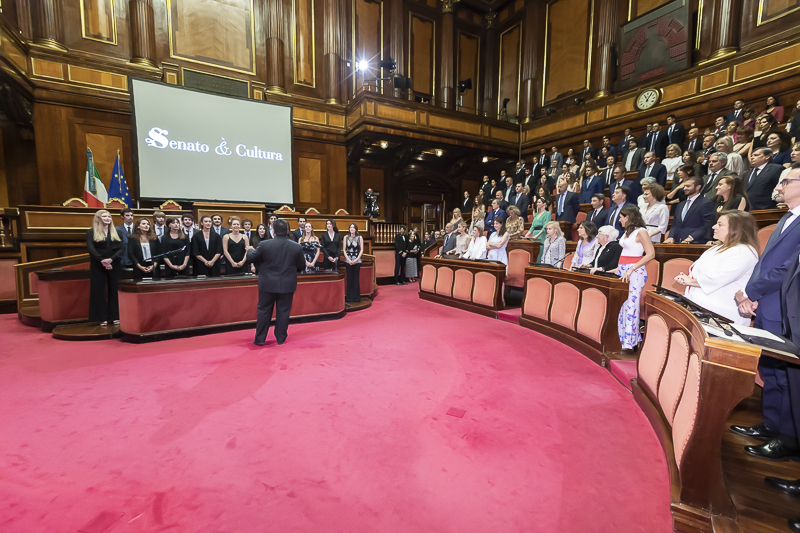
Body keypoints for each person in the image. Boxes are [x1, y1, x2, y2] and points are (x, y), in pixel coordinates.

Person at [731, 164, 800, 461]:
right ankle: (772, 424)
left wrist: (753, 292)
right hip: (768, 304)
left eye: (786, 181)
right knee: (771, 369)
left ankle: (787, 437)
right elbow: (764, 264)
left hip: (785, 306)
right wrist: (751, 293)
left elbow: (789, 269)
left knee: (787, 375)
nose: (780, 186)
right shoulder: (787, 217)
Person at [674, 211, 759, 324]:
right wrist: (687, 278)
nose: (714, 227)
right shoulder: (716, 248)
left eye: (720, 224)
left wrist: (690, 281)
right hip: (702, 308)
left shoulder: (744, 251)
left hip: (723, 313)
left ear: (736, 228)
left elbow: (719, 277)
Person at [246, 219, 305, 346]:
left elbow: (250, 258)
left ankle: (260, 338)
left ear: (273, 230)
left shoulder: (265, 244)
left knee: (263, 310)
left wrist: (250, 250)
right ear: (288, 230)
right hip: (287, 284)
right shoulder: (296, 246)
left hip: (267, 283)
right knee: (283, 311)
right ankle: (281, 338)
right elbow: (302, 265)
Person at [613, 206, 656, 351]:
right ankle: (627, 337)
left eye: (621, 217)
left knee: (632, 305)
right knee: (622, 304)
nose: (619, 219)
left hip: (635, 271)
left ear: (628, 217)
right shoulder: (627, 232)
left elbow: (650, 254)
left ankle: (629, 342)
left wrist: (632, 268)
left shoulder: (641, 232)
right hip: (623, 270)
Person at [87, 210, 123, 326]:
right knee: (98, 290)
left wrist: (111, 259)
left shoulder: (117, 232)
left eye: (109, 216)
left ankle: (116, 316)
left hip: (114, 263)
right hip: (98, 264)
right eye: (105, 216)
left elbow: (122, 249)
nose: (108, 218)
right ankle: (100, 317)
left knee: (115, 290)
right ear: (98, 218)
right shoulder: (91, 232)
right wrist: (102, 260)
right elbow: (91, 249)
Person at [664, 176, 714, 244]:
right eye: (684, 186)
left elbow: (707, 225)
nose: (684, 188)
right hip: (678, 242)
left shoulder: (706, 203)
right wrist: (671, 237)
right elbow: (675, 224)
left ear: (698, 187)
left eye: (688, 186)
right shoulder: (680, 205)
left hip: (695, 242)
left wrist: (691, 237)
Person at [343, 223, 363, 301]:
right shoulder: (346, 237)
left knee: (356, 279)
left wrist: (356, 259)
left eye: (353, 228)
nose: (351, 229)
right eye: (350, 227)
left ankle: (356, 297)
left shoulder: (359, 237)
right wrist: (348, 259)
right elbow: (344, 249)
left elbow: (361, 250)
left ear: (356, 229)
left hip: (357, 260)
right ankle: (349, 297)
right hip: (348, 260)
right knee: (349, 278)